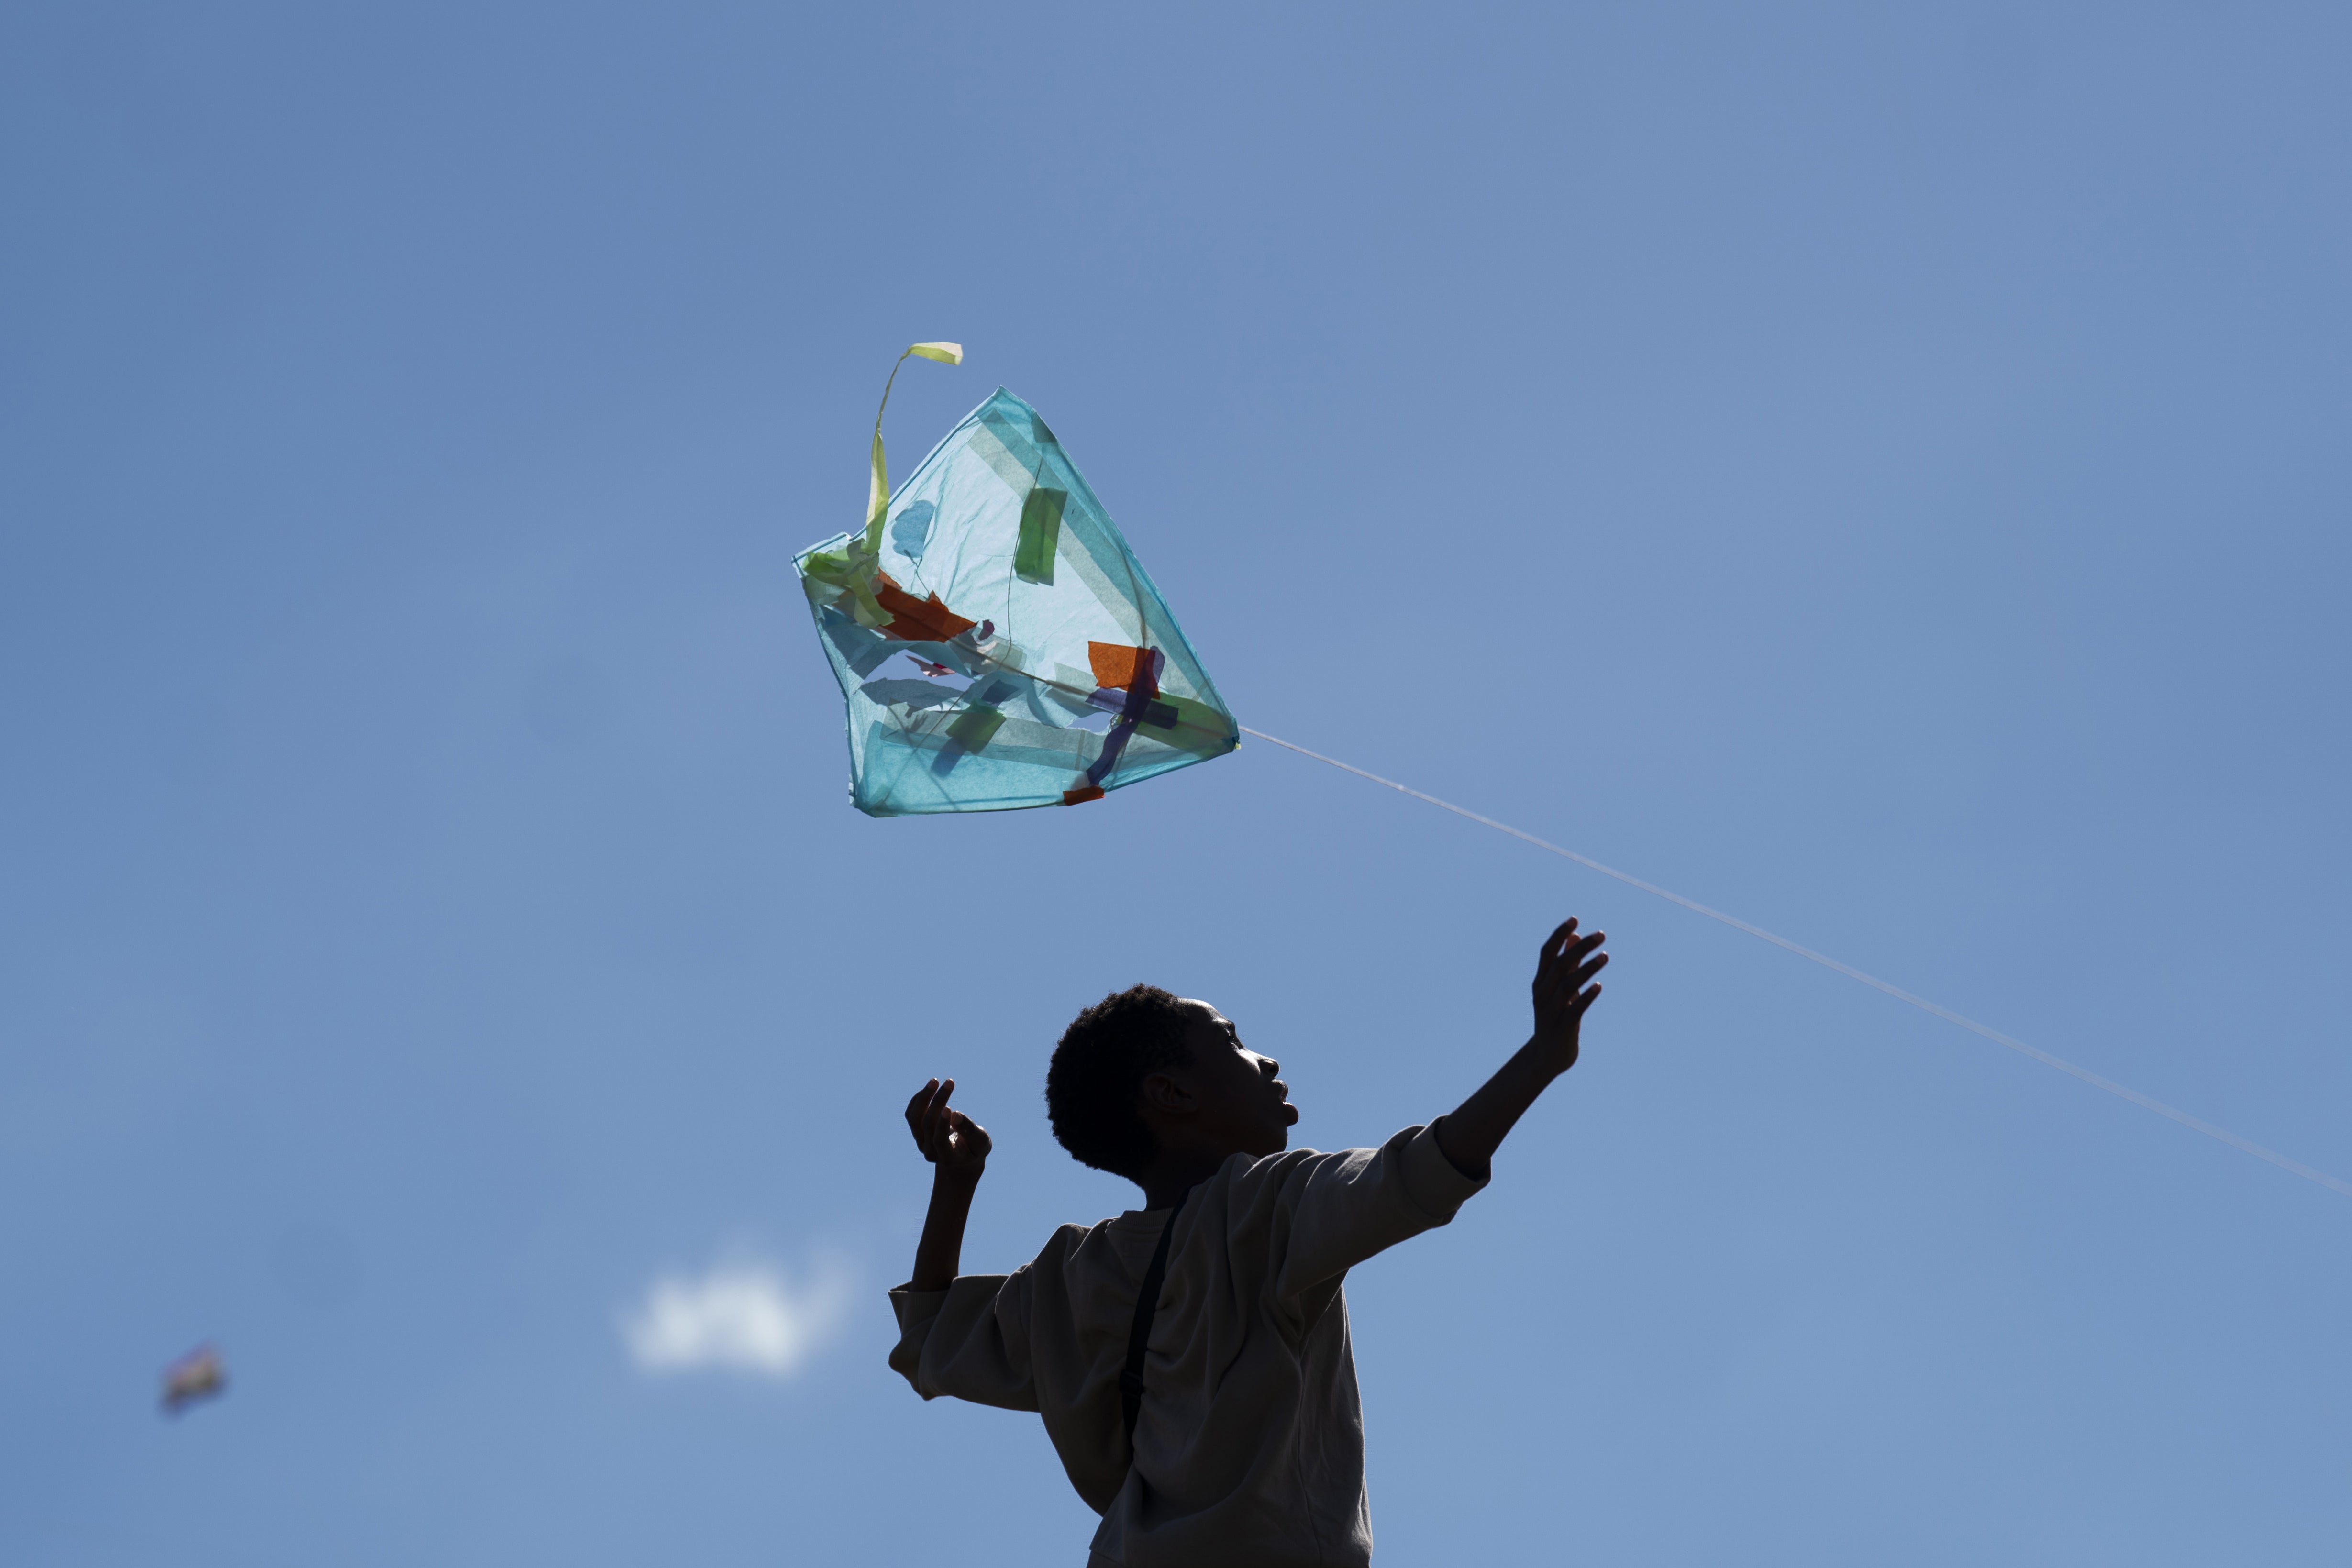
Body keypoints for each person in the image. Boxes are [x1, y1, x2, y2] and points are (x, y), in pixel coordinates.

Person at [888, 917, 1609, 1567]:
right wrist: (1541, 1056)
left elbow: (926, 1341)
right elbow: (1419, 1172)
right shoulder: (1264, 1203)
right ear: (1172, 1094)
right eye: (1232, 1039)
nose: (1263, 1058)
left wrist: (956, 1184)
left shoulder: (1069, 1278)